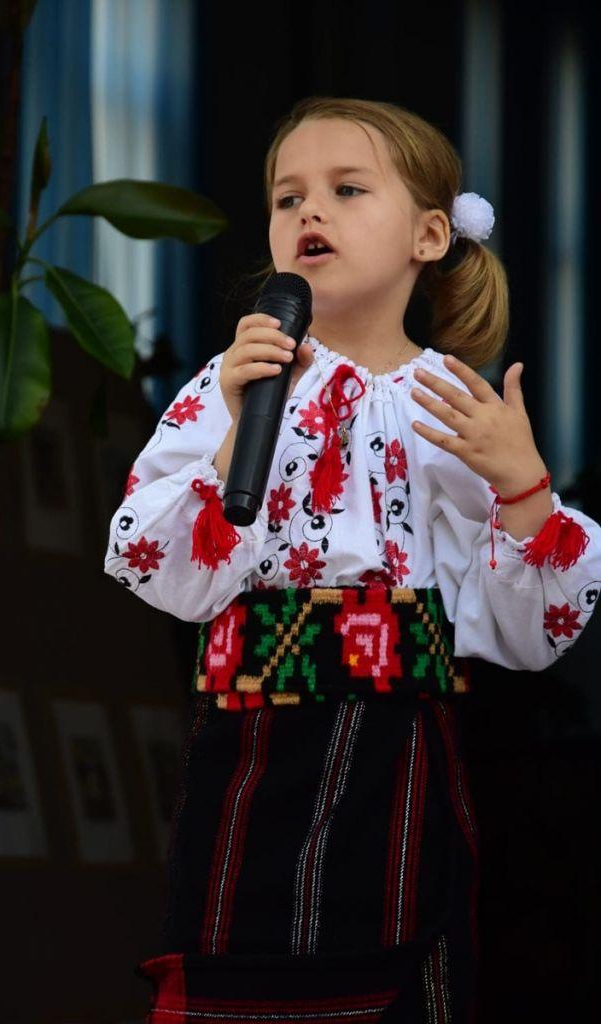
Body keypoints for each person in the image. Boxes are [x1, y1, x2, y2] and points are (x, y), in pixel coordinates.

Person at [103, 97, 601, 1023]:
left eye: (346, 190)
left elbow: (531, 635)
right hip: (248, 745)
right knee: (237, 969)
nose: (310, 212)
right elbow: (156, 567)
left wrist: (524, 488)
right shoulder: (228, 383)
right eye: (286, 197)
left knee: (399, 965)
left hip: (397, 747)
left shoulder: (456, 407)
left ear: (429, 235)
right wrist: (231, 430)